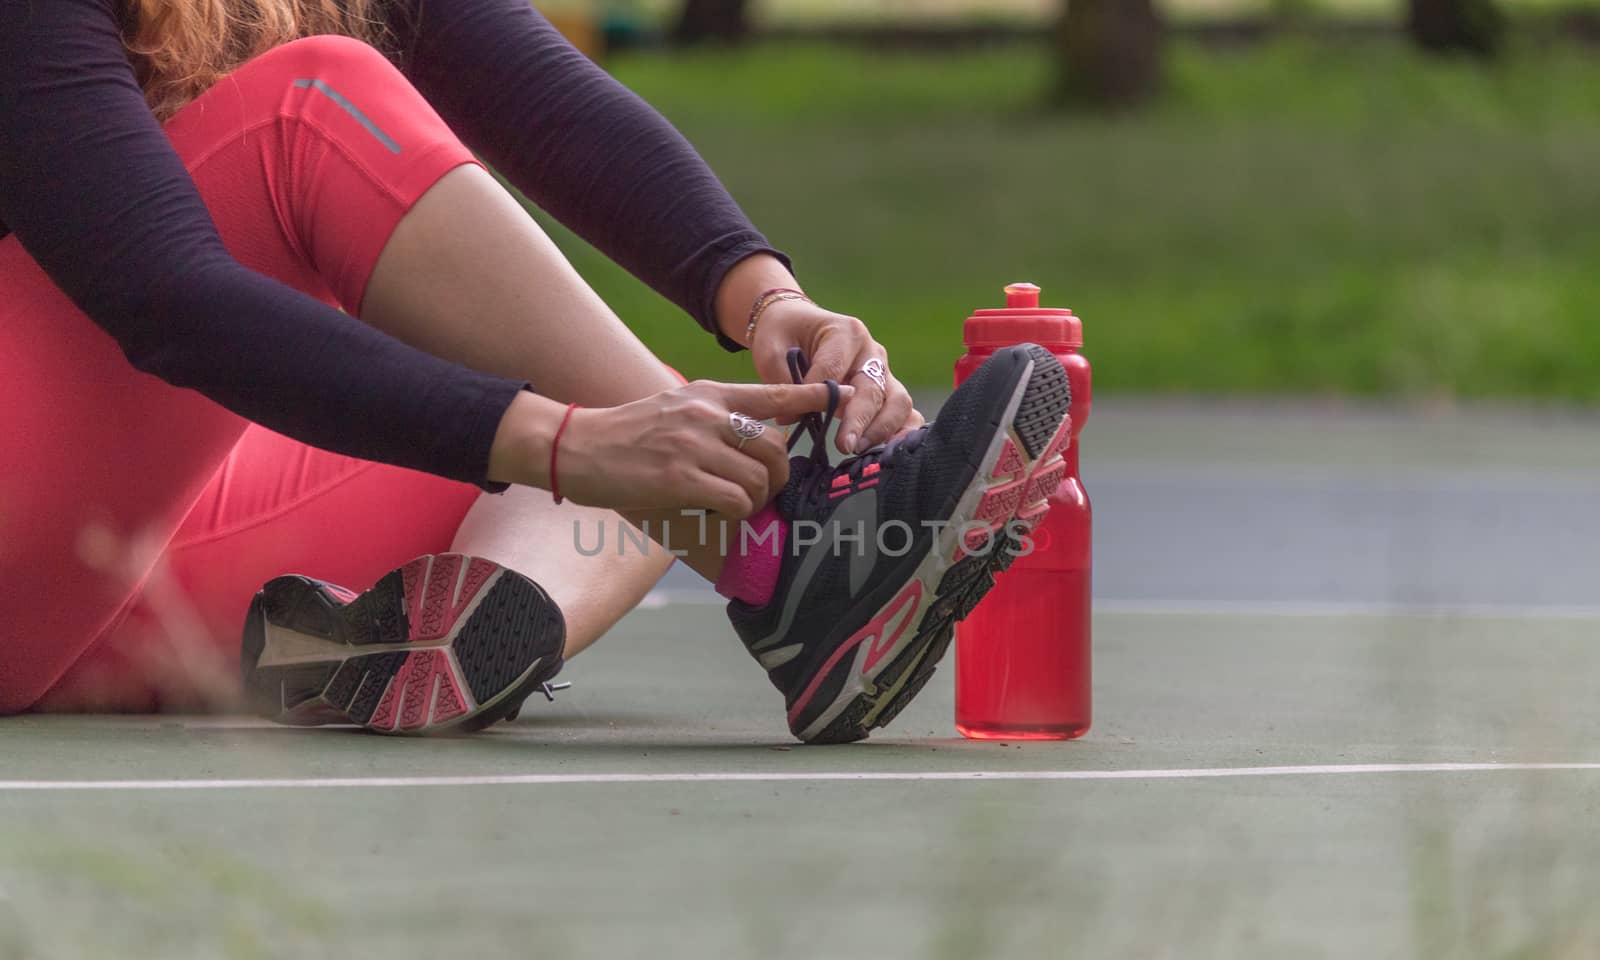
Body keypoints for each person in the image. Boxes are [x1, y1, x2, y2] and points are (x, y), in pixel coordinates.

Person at [0, 0, 1073, 743]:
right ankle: (782, 551)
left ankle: (373, 637)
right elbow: (169, 300)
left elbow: (543, 100)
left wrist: (765, 298)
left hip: (82, 586)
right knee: (311, 114)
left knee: (649, 422)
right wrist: (566, 442)